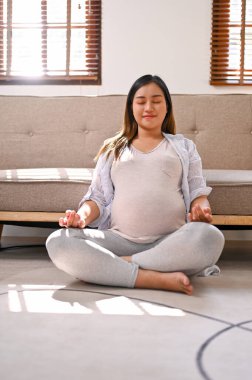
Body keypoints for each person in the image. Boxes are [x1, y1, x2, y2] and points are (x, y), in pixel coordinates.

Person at [46, 74, 225, 295]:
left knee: (211, 236)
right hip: (119, 240)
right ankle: (152, 278)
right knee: (58, 241)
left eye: (156, 101)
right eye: (141, 101)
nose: (148, 107)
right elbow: (98, 198)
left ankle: (117, 266)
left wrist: (202, 211)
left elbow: (198, 191)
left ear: (167, 107)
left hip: (171, 241)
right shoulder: (113, 148)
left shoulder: (184, 147)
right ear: (131, 107)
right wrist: (81, 217)